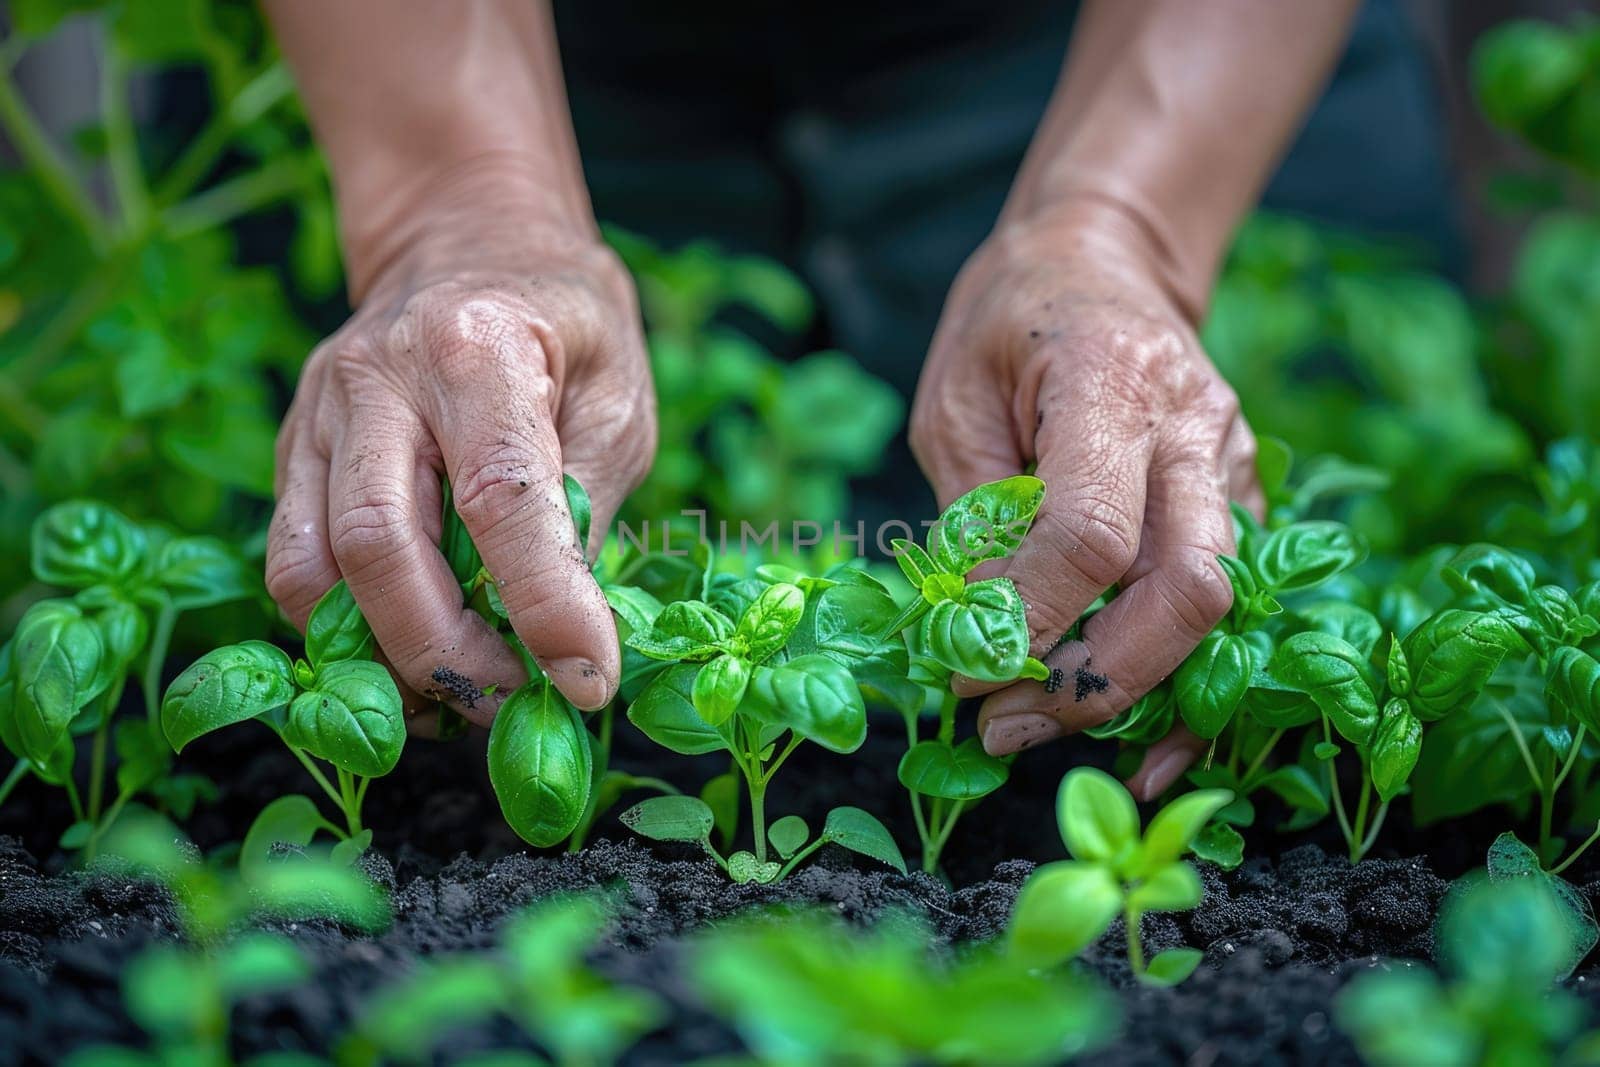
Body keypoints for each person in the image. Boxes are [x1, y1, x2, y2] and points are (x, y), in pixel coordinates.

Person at [261, 1, 1456, 801]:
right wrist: (449, 204)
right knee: (427, 562)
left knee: (1123, 572)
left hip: (1162, 64)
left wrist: (1126, 230)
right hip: (463, 56)